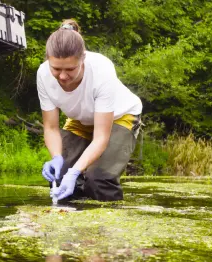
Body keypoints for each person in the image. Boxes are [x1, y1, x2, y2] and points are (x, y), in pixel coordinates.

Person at [37, 19, 143, 202]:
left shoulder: (102, 69)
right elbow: (51, 128)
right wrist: (56, 158)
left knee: (99, 180)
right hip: (80, 120)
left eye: (70, 69)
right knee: (60, 176)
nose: (62, 76)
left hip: (120, 117)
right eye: (56, 69)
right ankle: (73, 225)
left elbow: (101, 137)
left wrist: (76, 171)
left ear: (83, 59)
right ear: (48, 60)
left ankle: (109, 226)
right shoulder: (43, 74)